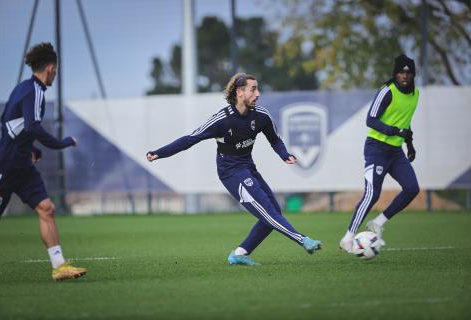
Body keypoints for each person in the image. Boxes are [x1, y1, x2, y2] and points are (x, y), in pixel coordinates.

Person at [146, 73, 322, 265]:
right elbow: (190, 139)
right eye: (253, 89)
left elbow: (275, 139)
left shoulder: (261, 115)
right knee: (269, 213)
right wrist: (159, 153)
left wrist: (284, 154)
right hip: (230, 172)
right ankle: (302, 239)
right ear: (240, 92)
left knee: (273, 212)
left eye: (258, 88)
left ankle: (239, 254)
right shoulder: (222, 120)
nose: (258, 93)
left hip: (248, 167)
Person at [0, 42, 87, 280]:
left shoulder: (22, 89)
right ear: (50, 69)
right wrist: (61, 143)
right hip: (5, 164)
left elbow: (8, 122)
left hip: (22, 164)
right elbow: (32, 125)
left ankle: (59, 266)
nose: (56, 74)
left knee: (47, 208)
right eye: (56, 70)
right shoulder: (34, 91)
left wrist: (30, 147)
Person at [340, 54, 420, 252]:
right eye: (401, 72)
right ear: (395, 73)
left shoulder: (415, 94)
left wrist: (409, 145)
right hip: (376, 148)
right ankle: (348, 237)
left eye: (408, 73)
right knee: (372, 194)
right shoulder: (387, 91)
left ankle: (378, 223)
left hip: (396, 151)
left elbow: (405, 121)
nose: (405, 76)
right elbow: (371, 120)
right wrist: (395, 131)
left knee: (412, 188)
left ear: (413, 75)